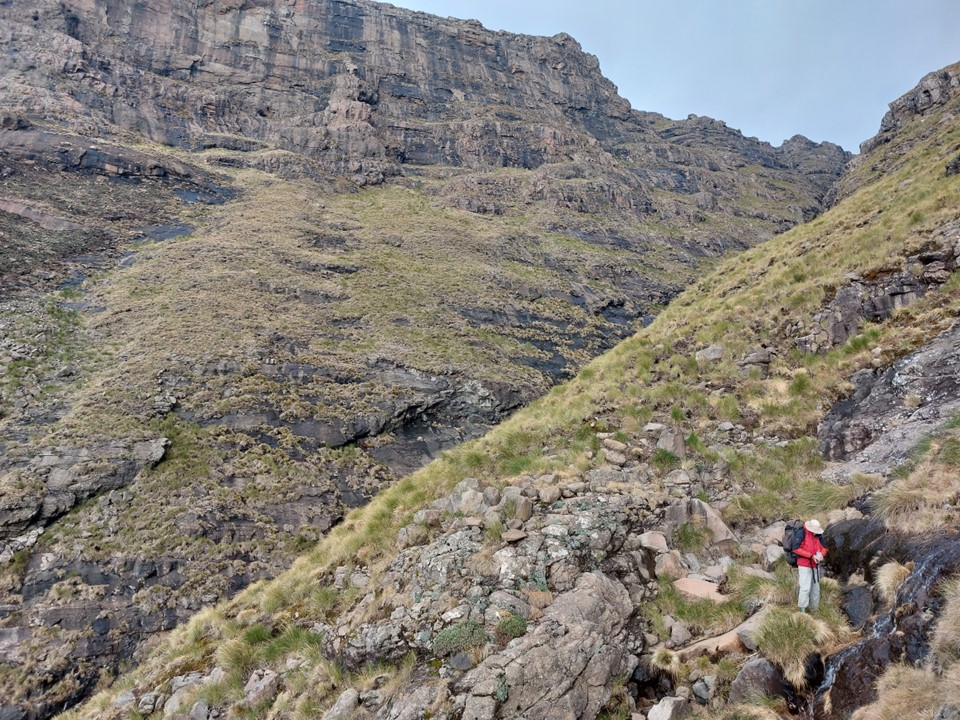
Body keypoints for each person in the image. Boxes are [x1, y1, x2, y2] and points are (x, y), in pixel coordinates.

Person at [794, 518, 827, 613]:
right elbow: (795, 548)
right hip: (804, 564)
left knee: (816, 589)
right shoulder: (801, 533)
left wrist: (821, 555)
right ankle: (802, 610)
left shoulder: (819, 535)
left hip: (815, 565)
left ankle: (814, 610)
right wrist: (811, 556)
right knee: (805, 588)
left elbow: (824, 548)